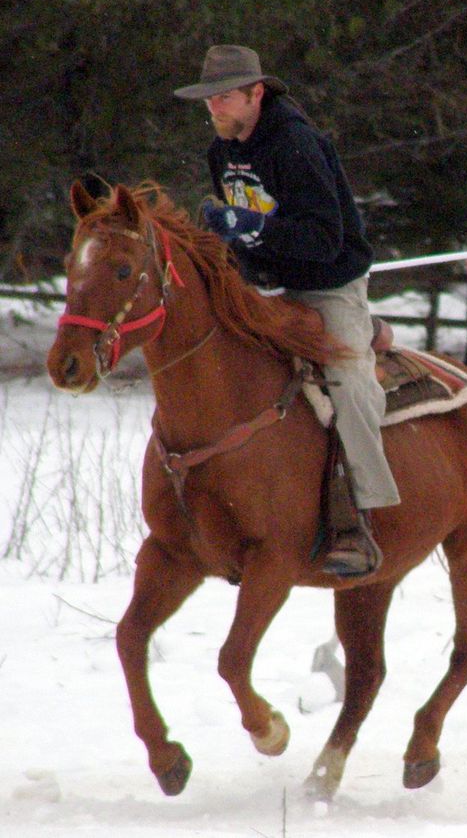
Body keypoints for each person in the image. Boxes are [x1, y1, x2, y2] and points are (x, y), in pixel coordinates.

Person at [174, 44, 400, 578]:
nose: (215, 108)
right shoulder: (221, 151)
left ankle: (358, 517)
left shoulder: (296, 144)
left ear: (257, 93)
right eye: (209, 99)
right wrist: (223, 242)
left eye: (225, 97)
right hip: (263, 287)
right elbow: (243, 233)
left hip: (327, 287)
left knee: (349, 379)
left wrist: (251, 226)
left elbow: (324, 241)